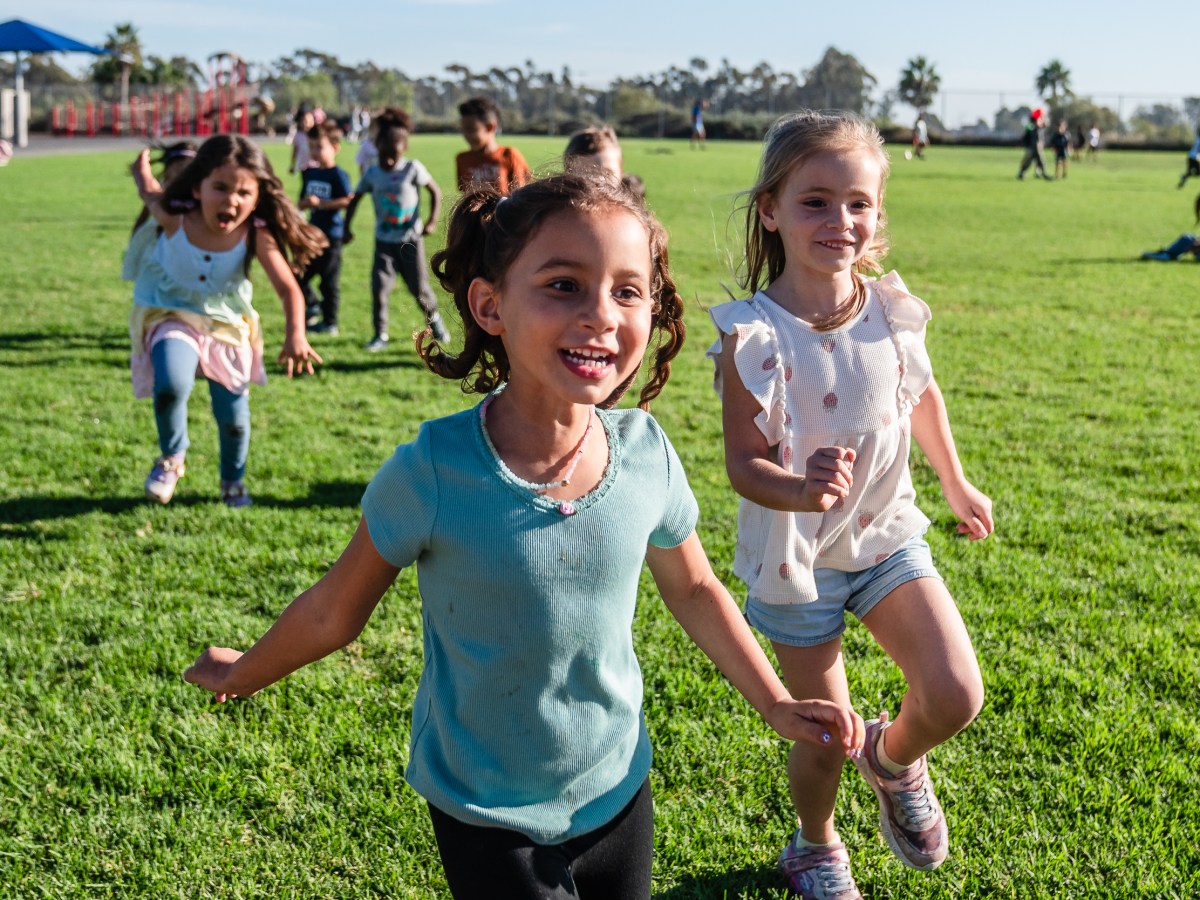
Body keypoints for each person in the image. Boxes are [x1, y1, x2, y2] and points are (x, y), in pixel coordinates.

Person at [184, 170, 866, 900]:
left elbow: (696, 589)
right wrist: (244, 670)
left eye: (627, 291)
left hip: (617, 788)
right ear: (490, 306)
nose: (601, 315)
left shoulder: (645, 452)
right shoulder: (432, 471)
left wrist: (774, 703)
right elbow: (333, 611)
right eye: (564, 286)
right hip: (485, 808)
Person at [706, 111, 993, 899]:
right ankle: (815, 845)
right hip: (798, 562)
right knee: (826, 734)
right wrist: (798, 489)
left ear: (878, 212)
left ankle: (892, 759)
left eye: (858, 203)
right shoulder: (753, 335)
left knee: (955, 693)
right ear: (771, 209)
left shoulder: (890, 308)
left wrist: (956, 482)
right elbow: (742, 464)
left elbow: (919, 396)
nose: (841, 220)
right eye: (816, 202)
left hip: (886, 536)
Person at [129, 135, 325, 507]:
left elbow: (289, 290)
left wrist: (296, 336)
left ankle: (232, 480)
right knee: (171, 384)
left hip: (227, 326)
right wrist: (142, 177)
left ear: (257, 197)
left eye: (243, 193)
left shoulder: (256, 234)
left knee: (233, 418)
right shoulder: (175, 217)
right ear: (198, 187)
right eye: (220, 187)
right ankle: (172, 457)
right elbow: (152, 195)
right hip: (172, 314)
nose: (231, 201)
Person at [345, 116, 449, 351]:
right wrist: (346, 227)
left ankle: (435, 322)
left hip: (410, 241)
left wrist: (431, 221)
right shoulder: (372, 173)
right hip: (384, 242)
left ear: (404, 150)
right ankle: (380, 334)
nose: (389, 160)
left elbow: (434, 191)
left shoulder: (412, 168)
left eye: (394, 155)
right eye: (384, 154)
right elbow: (355, 199)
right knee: (379, 288)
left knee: (419, 288)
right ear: (377, 149)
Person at [298, 121, 354, 335]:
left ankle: (330, 324)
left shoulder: (338, 175)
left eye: (319, 147)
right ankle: (313, 304)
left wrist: (321, 203)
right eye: (311, 147)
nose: (314, 151)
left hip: (332, 236)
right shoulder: (310, 173)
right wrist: (304, 204)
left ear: (335, 148)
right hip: (312, 236)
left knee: (328, 283)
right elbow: (302, 200)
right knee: (298, 274)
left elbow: (347, 200)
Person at [122, 141, 198, 281]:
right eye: (178, 167)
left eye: (187, 168)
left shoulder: (201, 189)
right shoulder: (160, 191)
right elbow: (144, 215)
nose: (181, 172)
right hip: (159, 248)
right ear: (169, 168)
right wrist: (135, 240)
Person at [456, 96, 531, 193]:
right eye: (463, 130)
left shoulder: (509, 155)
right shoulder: (462, 159)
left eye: (471, 130)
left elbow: (520, 194)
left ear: (490, 127)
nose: (466, 135)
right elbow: (464, 192)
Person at [563, 124, 646, 202]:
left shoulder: (631, 211)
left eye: (607, 173)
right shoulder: (559, 210)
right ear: (568, 175)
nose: (598, 181)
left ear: (620, 173)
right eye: (586, 173)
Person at [1017, 108, 1049, 179]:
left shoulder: (1040, 125)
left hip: (1037, 146)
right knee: (1029, 161)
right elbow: (1029, 131)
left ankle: (1041, 173)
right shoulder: (1031, 125)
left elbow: (1045, 125)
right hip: (1031, 146)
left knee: (1040, 160)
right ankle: (1021, 172)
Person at [288, 108, 316, 175]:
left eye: (310, 120)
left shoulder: (316, 135)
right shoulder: (298, 135)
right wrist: (293, 164)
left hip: (316, 166)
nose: (307, 124)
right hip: (304, 167)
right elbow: (295, 151)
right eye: (304, 121)